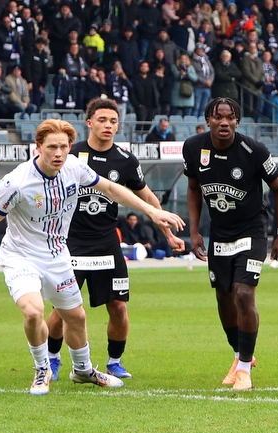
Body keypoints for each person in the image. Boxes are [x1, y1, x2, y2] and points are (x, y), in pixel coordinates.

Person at [0, 119, 185, 395]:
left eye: (63, 147)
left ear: (70, 147)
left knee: (77, 317)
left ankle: (83, 370)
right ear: (38, 148)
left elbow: (109, 188)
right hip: (21, 256)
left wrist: (152, 212)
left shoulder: (74, 168)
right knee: (34, 311)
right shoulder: (16, 182)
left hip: (58, 255)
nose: (58, 153)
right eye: (51, 147)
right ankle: (42, 369)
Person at [45, 98, 184, 383]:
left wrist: (167, 231)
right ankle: (52, 359)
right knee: (62, 310)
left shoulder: (125, 160)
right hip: (71, 243)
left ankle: (114, 362)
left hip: (107, 244)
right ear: (89, 123)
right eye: (102, 120)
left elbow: (146, 197)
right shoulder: (71, 155)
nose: (108, 125)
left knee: (119, 307)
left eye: (113, 121)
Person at [185, 97, 278, 391]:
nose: (224, 122)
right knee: (224, 298)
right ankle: (240, 355)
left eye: (230, 117)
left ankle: (244, 369)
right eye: (218, 117)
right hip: (219, 234)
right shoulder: (193, 148)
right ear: (209, 120)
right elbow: (193, 189)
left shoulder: (253, 150)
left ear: (237, 122)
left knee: (244, 294)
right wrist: (194, 232)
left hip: (252, 231)